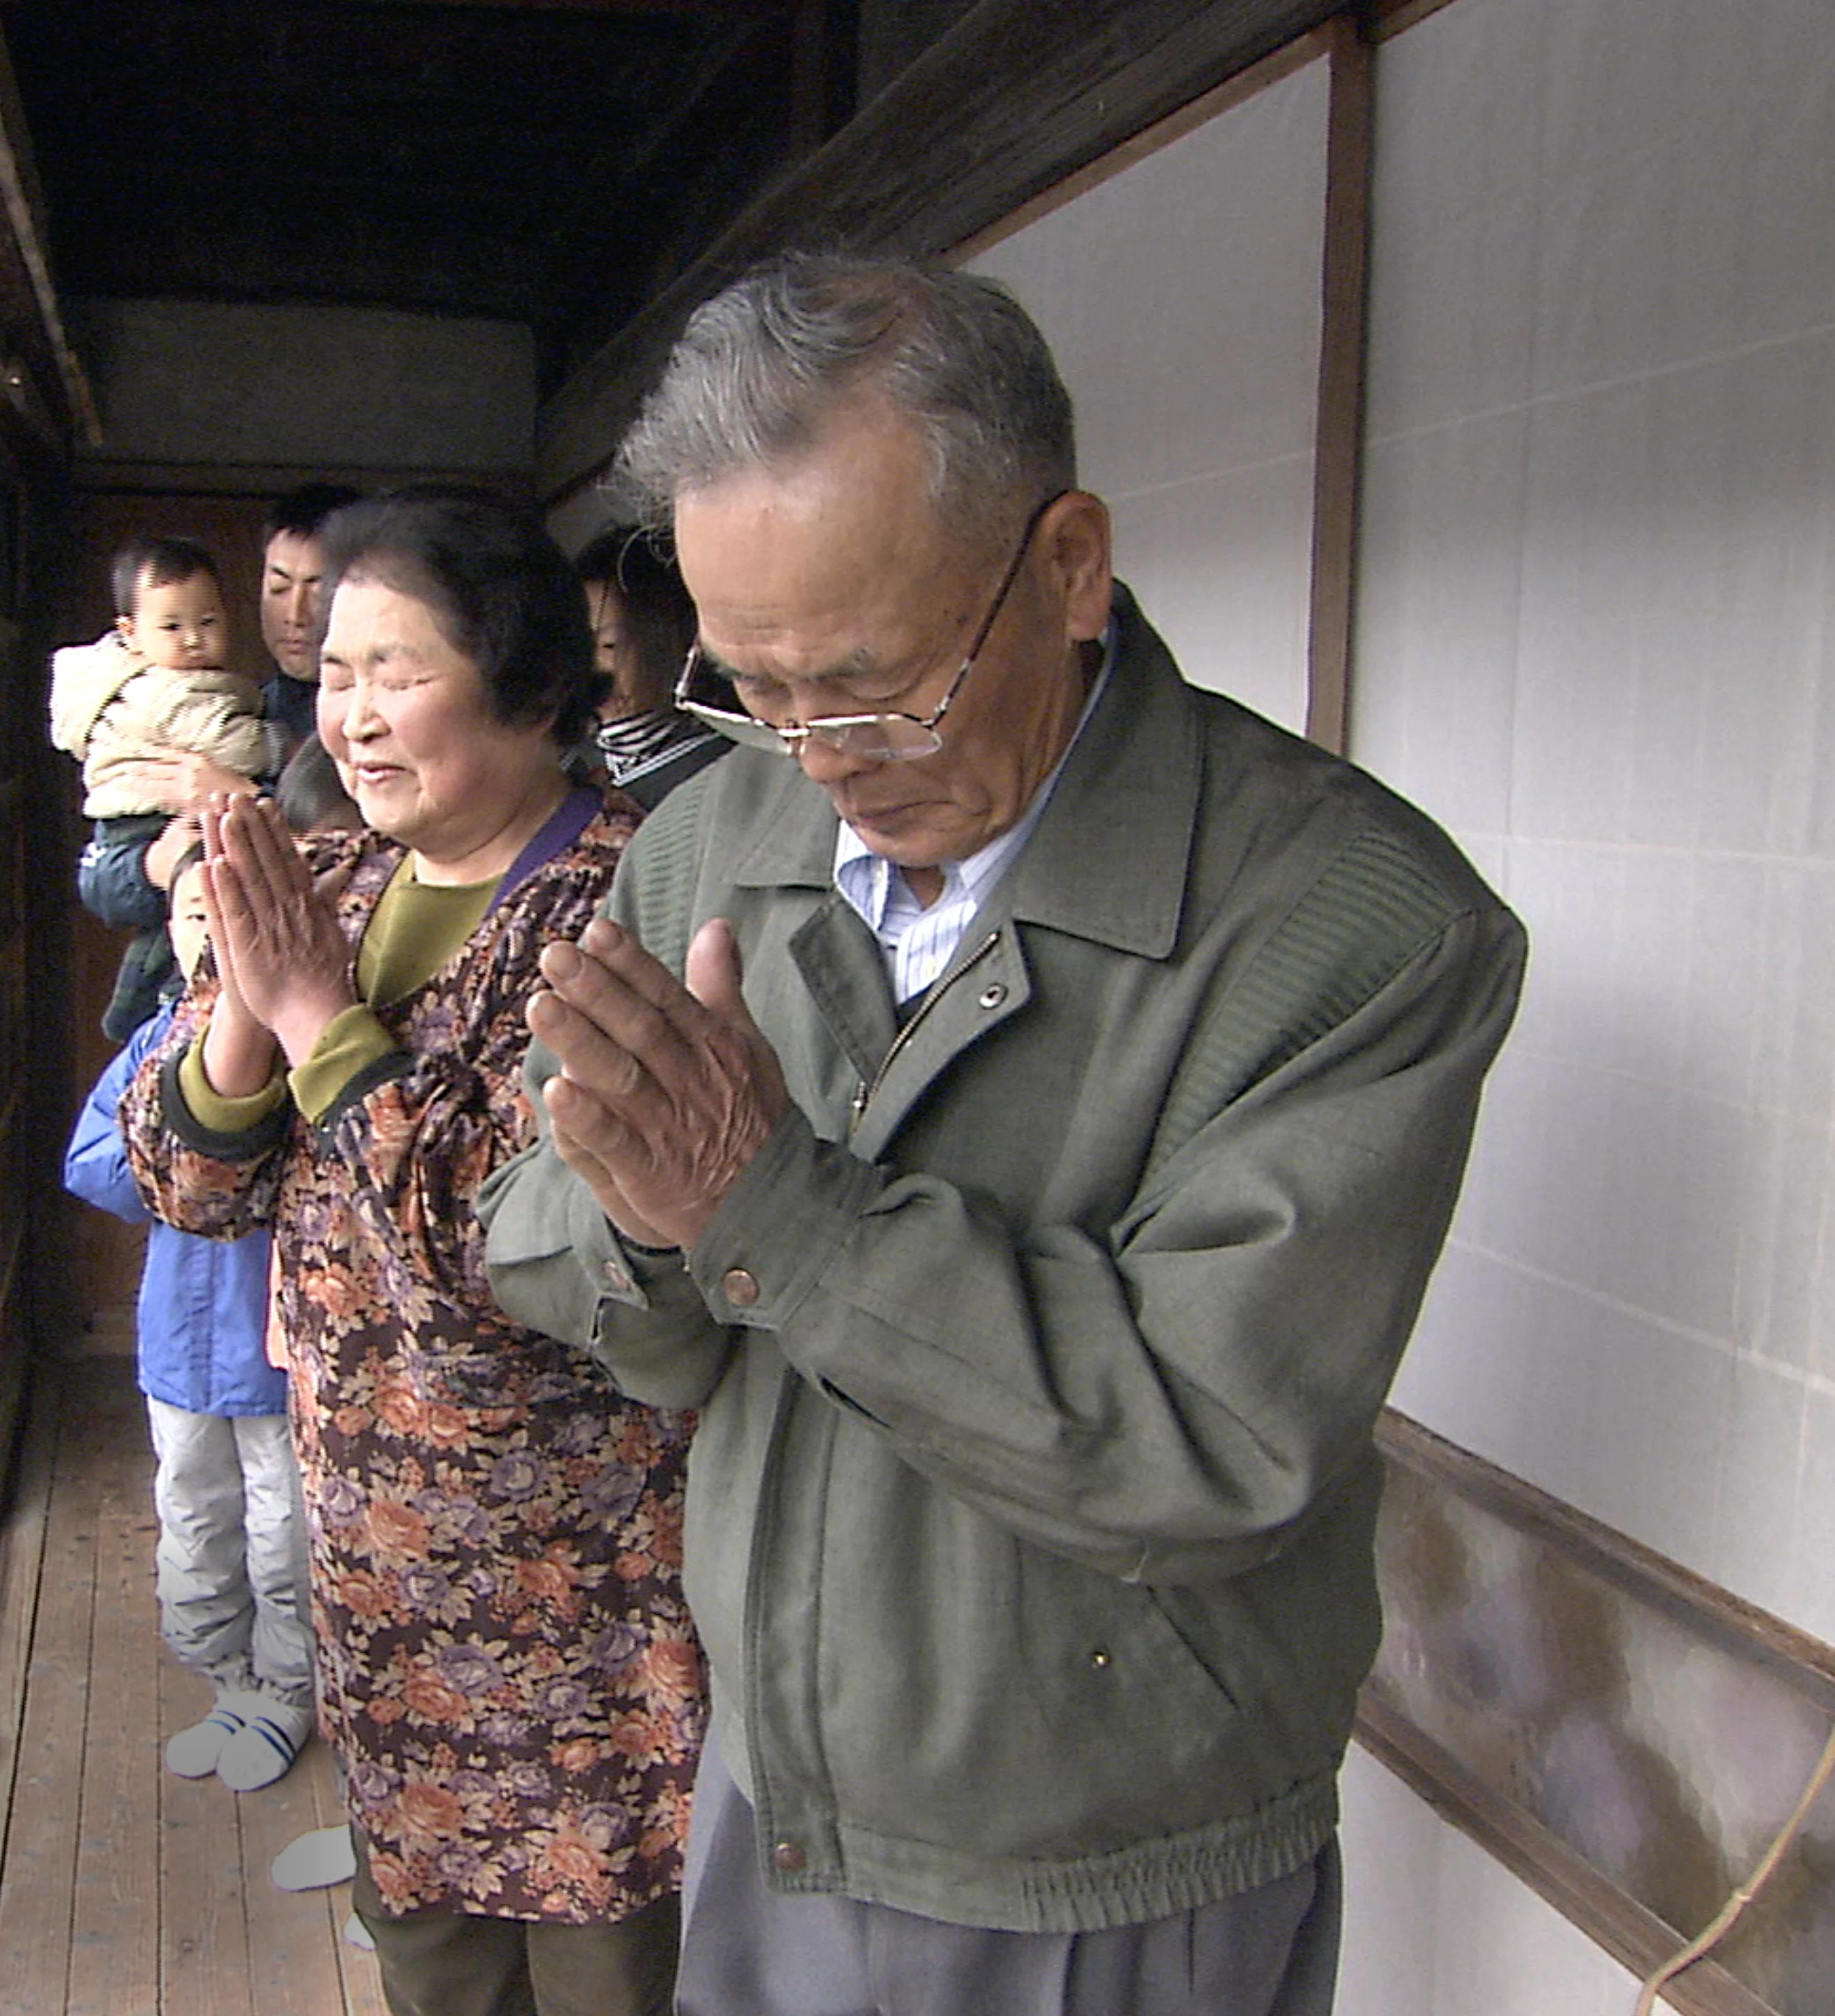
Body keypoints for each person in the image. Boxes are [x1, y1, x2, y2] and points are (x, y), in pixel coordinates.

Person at [481, 255, 1528, 2015]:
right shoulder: (715, 833)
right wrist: (654, 1222)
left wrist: (770, 1206)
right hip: (770, 1781)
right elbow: (557, 1256)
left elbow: (1210, 1443)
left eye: (872, 684)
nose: (815, 756)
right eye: (752, 683)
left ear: (1066, 566)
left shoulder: (1349, 924)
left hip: (1101, 1864)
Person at [125, 487, 702, 2016]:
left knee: (602, 1983)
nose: (355, 717)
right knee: (431, 1977)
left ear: (521, 680)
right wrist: (252, 988)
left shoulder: (623, 898)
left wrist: (323, 1017)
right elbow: (179, 1183)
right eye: (336, 677)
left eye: (399, 673)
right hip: (383, 1591)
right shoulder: (347, 882)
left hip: (576, 1603)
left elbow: (509, 1243)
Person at [62, 848, 315, 1795]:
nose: (210, 932)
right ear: (169, 931)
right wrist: (191, 1169)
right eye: (193, 915)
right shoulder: (161, 1040)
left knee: (285, 1530)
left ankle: (290, 1694)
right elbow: (90, 1161)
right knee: (193, 1518)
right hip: (179, 1338)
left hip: (280, 1346)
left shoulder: (303, 1041)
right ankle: (227, 1682)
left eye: (230, 910)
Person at [55, 535, 283, 1040]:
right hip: (145, 820)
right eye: (173, 627)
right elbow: (234, 745)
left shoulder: (171, 684)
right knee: (186, 917)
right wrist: (275, 750)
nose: (194, 640)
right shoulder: (165, 693)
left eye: (207, 622)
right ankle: (138, 1011)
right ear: (130, 634)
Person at [575, 523, 733, 811]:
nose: (590, 669)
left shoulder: (727, 772)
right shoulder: (567, 768)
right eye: (577, 647)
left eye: (611, 645)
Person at [258, 482, 364, 746]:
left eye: (319, 593)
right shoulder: (240, 712)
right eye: (278, 588)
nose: (295, 615)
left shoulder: (381, 719)